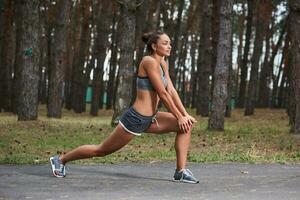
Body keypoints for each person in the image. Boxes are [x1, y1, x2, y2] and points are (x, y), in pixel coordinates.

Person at [50, 30, 199, 184]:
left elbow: (171, 90)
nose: (169, 46)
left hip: (152, 118)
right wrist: (179, 116)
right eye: (165, 43)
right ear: (154, 46)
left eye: (170, 43)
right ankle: (60, 160)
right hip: (135, 119)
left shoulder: (162, 63)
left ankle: (180, 172)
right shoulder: (149, 62)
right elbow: (162, 93)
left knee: (185, 127)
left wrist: (184, 115)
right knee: (101, 150)